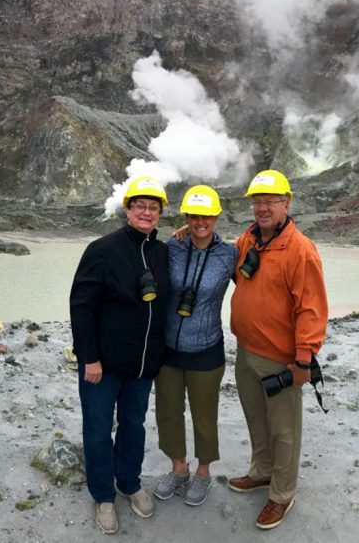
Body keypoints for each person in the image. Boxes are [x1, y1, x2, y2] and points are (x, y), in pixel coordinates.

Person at [69, 175, 171, 535]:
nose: (146, 212)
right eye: (140, 205)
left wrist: (158, 356)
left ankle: (128, 482)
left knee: (134, 427)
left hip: (141, 365)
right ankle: (103, 495)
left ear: (160, 213)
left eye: (153, 207)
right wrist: (89, 357)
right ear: (127, 209)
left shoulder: (162, 253)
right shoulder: (102, 249)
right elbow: (81, 306)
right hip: (102, 365)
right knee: (98, 431)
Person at [227, 169, 328, 530]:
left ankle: (282, 494)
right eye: (257, 201)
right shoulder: (247, 241)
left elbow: (311, 308)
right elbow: (226, 264)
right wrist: (185, 237)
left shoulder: (300, 250)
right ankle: (262, 471)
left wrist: (304, 359)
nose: (263, 208)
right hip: (246, 352)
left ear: (287, 202)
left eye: (270, 201)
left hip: (281, 359)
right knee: (257, 418)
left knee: (284, 429)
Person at [153, 185, 237, 507]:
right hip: (169, 350)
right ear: (186, 217)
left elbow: (257, 281)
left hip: (207, 350)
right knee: (168, 412)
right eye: (193, 216)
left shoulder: (230, 254)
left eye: (206, 215)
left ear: (216, 216)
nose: (200, 221)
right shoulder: (171, 248)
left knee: (204, 417)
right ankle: (179, 469)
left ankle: (203, 473)